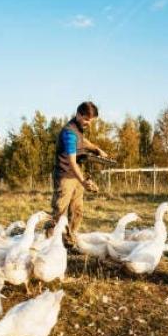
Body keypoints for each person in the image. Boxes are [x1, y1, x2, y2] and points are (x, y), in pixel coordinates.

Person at [49, 101, 109, 245]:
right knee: (60, 211)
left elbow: (83, 141)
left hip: (76, 175)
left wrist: (96, 149)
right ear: (78, 114)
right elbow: (71, 161)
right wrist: (83, 181)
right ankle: (50, 241)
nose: (89, 123)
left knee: (77, 210)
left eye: (91, 120)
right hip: (65, 176)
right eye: (87, 119)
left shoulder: (78, 128)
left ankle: (70, 239)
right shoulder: (69, 133)